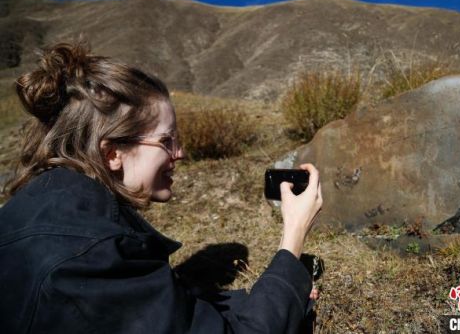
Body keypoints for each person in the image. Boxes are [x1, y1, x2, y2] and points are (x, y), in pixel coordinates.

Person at [0, 42, 323, 333]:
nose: (180, 153)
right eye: (166, 141)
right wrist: (293, 236)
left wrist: (282, 289)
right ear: (112, 153)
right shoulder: (97, 256)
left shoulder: (35, 206)